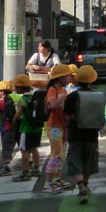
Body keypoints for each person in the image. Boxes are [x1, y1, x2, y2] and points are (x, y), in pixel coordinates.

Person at [63, 65, 106, 204]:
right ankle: (86, 186)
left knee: (75, 160)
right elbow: (101, 115)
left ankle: (80, 185)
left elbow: (67, 116)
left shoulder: (72, 97)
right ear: (92, 80)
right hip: (92, 134)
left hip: (75, 134)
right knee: (88, 161)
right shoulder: (98, 96)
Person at [42, 64, 71, 193]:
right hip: (54, 127)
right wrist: (64, 97)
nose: (69, 77)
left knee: (61, 153)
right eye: (67, 75)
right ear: (60, 78)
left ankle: (56, 179)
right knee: (56, 154)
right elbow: (52, 105)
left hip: (63, 126)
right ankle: (47, 183)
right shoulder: (53, 90)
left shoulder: (63, 90)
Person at [11, 75, 43, 182]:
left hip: (26, 128)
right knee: (34, 148)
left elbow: (17, 115)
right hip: (37, 128)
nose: (15, 89)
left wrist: (13, 121)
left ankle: (25, 173)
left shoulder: (22, 100)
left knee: (24, 150)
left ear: (20, 87)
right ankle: (36, 169)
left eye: (16, 86)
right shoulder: (36, 97)